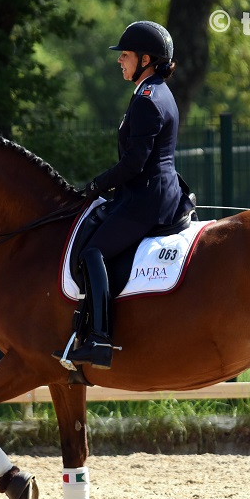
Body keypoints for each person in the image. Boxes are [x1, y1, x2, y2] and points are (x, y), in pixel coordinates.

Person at [54, 20, 195, 370]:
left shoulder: (148, 99)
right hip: (149, 191)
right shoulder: (155, 91)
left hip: (146, 199)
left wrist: (97, 184)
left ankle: (100, 339)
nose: (120, 60)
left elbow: (134, 163)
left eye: (126, 55)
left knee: (92, 252)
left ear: (146, 59)